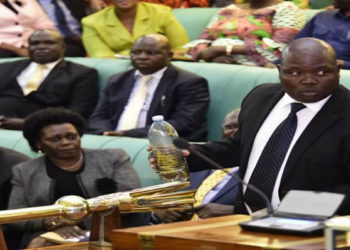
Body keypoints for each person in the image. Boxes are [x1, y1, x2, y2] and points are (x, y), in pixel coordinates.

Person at [152, 38, 350, 216]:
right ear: (280, 70)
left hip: (318, 227)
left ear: (338, 68)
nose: (309, 80)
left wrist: (294, 209)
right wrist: (189, 155)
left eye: (322, 71)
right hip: (246, 220)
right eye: (295, 72)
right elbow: (241, 148)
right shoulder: (260, 97)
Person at [7, 108, 143, 248]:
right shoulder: (24, 171)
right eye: (55, 139)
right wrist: (51, 223)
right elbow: (16, 215)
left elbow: (130, 198)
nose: (65, 142)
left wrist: (75, 222)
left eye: (71, 136)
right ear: (38, 143)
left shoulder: (113, 158)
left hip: (109, 226)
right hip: (49, 231)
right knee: (41, 243)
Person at [88, 34, 209, 141]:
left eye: (151, 53)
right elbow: (99, 116)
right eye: (136, 52)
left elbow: (183, 123)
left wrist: (127, 135)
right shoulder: (117, 80)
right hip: (113, 140)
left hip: (160, 144)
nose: (142, 57)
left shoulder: (189, 82)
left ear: (169, 55)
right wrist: (106, 133)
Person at [150, 109, 241, 224]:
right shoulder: (198, 160)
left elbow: (267, 211)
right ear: (221, 131)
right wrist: (159, 212)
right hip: (171, 232)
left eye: (241, 128)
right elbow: (162, 201)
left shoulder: (261, 169)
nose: (235, 133)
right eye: (229, 127)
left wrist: (233, 212)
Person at [0, 29, 99, 130]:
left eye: (49, 43)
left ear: (63, 47)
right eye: (35, 43)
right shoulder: (5, 67)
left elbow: (78, 112)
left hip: (45, 128)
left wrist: (30, 123)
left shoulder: (82, 73)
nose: (41, 47)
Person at [184, 0, 305, 67]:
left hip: (254, 65)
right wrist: (212, 55)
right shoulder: (228, 9)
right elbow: (201, 41)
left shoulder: (287, 9)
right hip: (213, 62)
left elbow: (279, 50)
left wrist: (222, 49)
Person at [81, 0, 189, 58]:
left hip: (163, 70)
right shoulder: (91, 22)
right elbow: (102, 57)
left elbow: (182, 49)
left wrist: (121, 54)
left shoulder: (162, 13)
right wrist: (155, 54)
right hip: (118, 74)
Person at [294, 0, 350, 69]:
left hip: (342, 70)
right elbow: (295, 45)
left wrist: (343, 63)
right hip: (307, 64)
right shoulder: (323, 16)